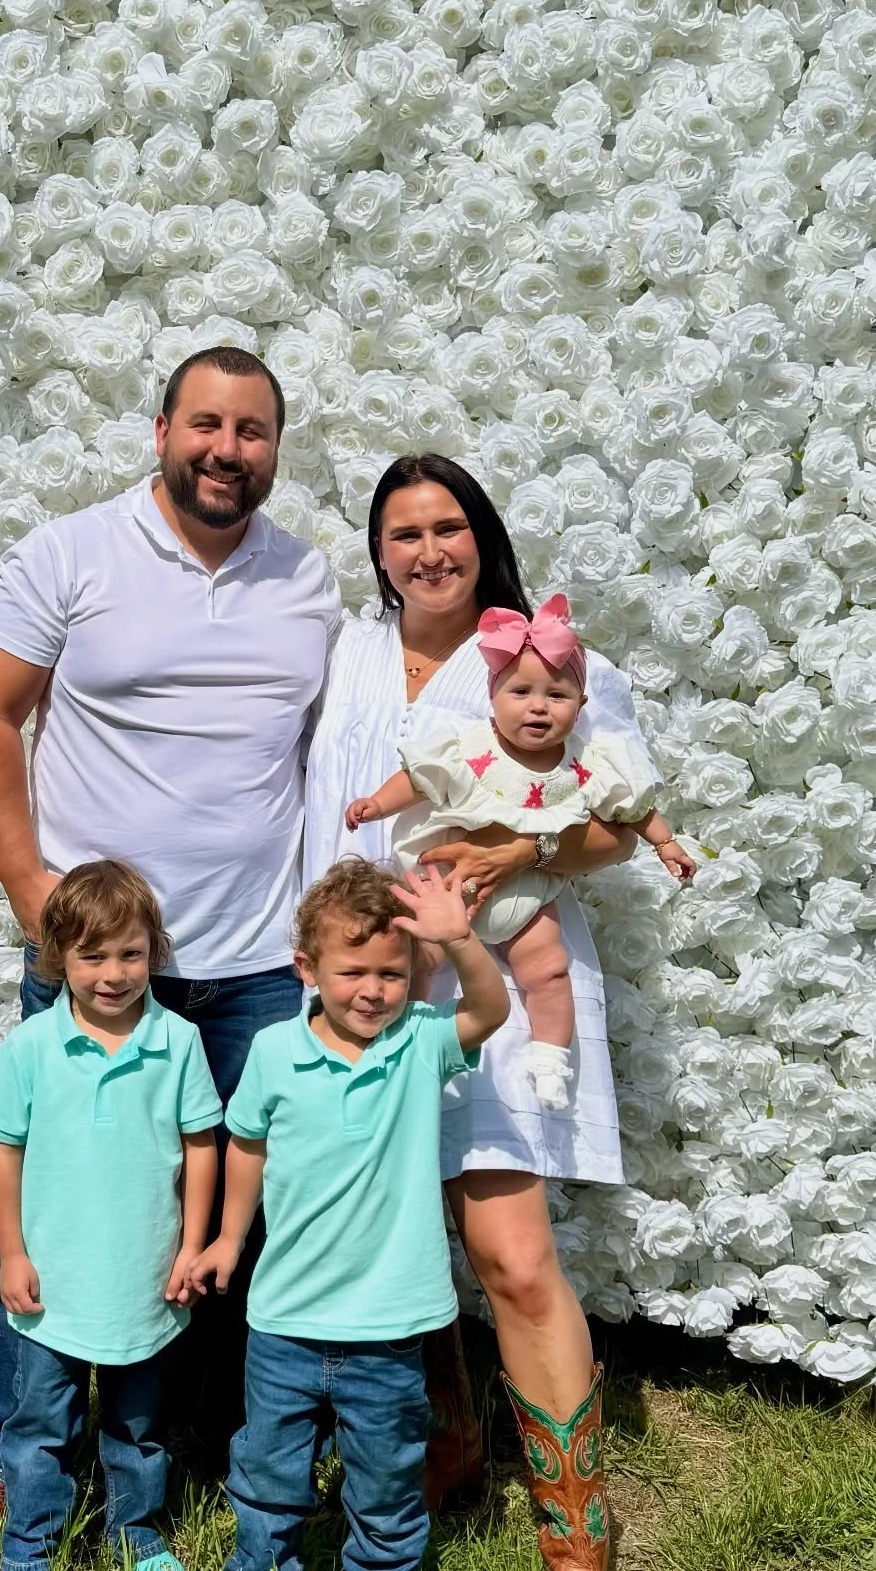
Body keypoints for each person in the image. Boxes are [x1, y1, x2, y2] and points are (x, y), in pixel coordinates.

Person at [0, 347, 341, 1555]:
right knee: (57, 1199)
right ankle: (12, 1455)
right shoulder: (70, 553)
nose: (227, 447)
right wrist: (25, 882)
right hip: (99, 961)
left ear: (275, 447)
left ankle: (178, 1444)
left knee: (223, 1222)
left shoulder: (305, 578)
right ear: (161, 428)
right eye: (205, 422)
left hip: (256, 962)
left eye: (253, 430)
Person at [304, 453, 657, 1571]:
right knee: (390, 1230)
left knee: (509, 1250)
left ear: (483, 535)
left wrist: (519, 843)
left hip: (498, 982)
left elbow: (617, 819)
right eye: (402, 533)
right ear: (378, 552)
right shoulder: (345, 651)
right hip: (361, 987)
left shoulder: (545, 656)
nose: (427, 551)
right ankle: (448, 1447)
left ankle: (575, 1529)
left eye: (447, 526)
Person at [190, 858, 510, 1571]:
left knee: (389, 1478)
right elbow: (246, 1145)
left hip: (391, 1324)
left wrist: (459, 939)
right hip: (284, 1321)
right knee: (268, 1472)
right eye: (352, 972)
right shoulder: (274, 1052)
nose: (373, 991)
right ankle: (265, 1560)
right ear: (307, 967)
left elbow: (491, 1011)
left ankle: (383, 1561)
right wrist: (227, 1238)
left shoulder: (419, 1042)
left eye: (391, 975)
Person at [346, 593, 694, 1110]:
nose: (538, 706)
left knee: (549, 970)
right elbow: (420, 780)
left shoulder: (587, 763)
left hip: (529, 895)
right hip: (453, 886)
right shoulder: (471, 748)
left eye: (557, 695)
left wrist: (665, 842)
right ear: (494, 697)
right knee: (420, 955)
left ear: (581, 705)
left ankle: (551, 1059)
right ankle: (399, 1041)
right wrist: (376, 803)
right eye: (521, 692)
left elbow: (631, 810)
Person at [0, 860, 221, 1571]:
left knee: (140, 1425)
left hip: (147, 1276)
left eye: (131, 954)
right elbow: (4, 1153)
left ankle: (134, 1532)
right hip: (53, 1280)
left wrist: (192, 1246)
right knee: (40, 1423)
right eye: (92, 956)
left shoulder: (178, 1042)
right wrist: (12, 1253)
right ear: (57, 958)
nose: (113, 973)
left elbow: (201, 1147)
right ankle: (30, 1544)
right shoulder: (32, 1047)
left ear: (154, 953)